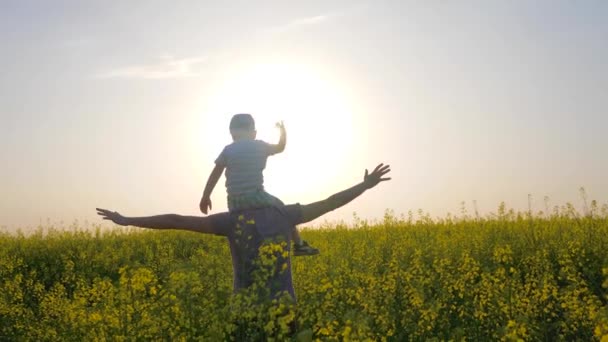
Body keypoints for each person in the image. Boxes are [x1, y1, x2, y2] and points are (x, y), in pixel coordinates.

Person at [96, 163, 391, 302]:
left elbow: (175, 219)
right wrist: (363, 186)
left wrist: (127, 220)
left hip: (245, 305)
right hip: (284, 305)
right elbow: (330, 203)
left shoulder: (230, 221)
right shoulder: (284, 213)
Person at [199, 113, 318, 256]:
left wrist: (206, 196)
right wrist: (282, 131)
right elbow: (280, 147)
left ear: (231, 133)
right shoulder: (260, 146)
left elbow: (215, 174)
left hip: (234, 202)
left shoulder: (228, 150)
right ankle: (298, 244)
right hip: (256, 197)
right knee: (283, 209)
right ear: (254, 133)